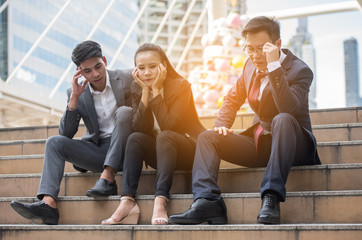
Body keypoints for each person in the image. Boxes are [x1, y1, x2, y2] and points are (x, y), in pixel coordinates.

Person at [169, 16, 321, 225]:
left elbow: (289, 108)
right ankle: (207, 201)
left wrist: (274, 66)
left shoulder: (300, 70)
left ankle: (271, 197)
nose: (256, 56)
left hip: (294, 144)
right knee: (208, 137)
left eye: (261, 49)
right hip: (262, 143)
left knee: (283, 119)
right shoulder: (249, 66)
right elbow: (232, 98)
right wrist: (222, 125)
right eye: (250, 49)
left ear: (277, 44)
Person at [10, 40, 133, 225]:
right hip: (99, 151)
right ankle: (48, 204)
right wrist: (74, 98)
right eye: (87, 71)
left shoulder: (126, 77)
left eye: (98, 66)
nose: (95, 74)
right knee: (54, 142)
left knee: (124, 112)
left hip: (128, 150)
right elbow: (65, 133)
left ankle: (107, 179)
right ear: (79, 72)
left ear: (105, 60)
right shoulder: (76, 92)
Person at [101, 43, 205, 225]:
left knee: (165, 136)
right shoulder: (137, 88)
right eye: (141, 68)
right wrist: (145, 93)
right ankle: (127, 201)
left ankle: (161, 200)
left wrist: (156, 91)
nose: (147, 72)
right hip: (161, 153)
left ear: (163, 65)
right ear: (136, 71)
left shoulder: (181, 86)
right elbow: (140, 127)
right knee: (135, 138)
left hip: (188, 150)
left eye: (152, 66)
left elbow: (168, 125)